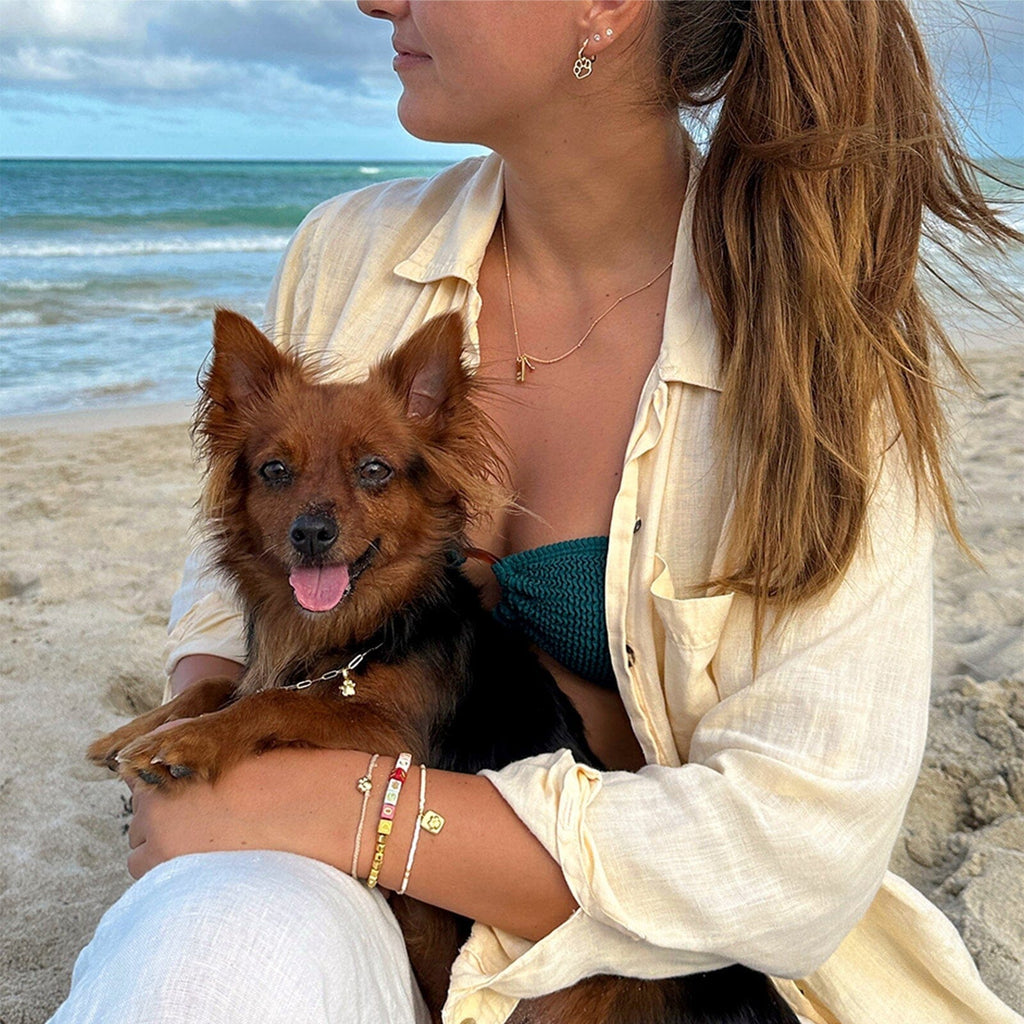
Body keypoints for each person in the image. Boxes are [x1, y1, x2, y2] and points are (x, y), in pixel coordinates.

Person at [51, 2, 1022, 1023]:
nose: (374, 1)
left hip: (654, 964)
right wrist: (206, 709)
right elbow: (245, 544)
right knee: (206, 950)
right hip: (355, 894)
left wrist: (346, 806)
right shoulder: (352, 250)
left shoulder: (815, 356)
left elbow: (792, 853)